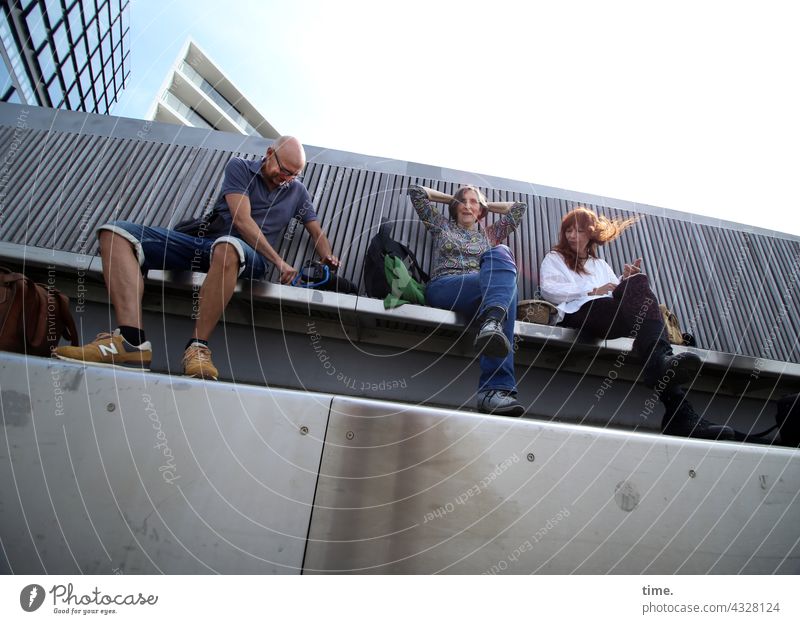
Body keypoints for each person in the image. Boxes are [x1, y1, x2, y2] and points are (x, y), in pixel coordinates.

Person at [54, 136, 339, 380]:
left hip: (251, 260)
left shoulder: (297, 192)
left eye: (293, 175)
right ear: (268, 154)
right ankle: (130, 341)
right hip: (208, 245)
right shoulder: (240, 167)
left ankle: (198, 347)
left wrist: (327, 255)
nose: (285, 178)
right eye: (283, 169)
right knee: (115, 233)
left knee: (228, 247)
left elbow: (316, 231)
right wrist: (280, 261)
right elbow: (241, 219)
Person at [539, 207, 734, 440]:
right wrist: (592, 289)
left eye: (579, 230)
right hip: (579, 312)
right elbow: (549, 290)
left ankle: (675, 402)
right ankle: (665, 374)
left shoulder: (600, 265)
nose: (572, 235)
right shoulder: (555, 257)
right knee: (637, 301)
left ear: (591, 233)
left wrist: (625, 281)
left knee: (638, 284)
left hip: (608, 313)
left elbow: (614, 294)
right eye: (568, 230)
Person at [408, 184, 526, 417]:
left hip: (483, 292)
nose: (468, 206)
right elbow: (416, 193)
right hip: (445, 287)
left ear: (481, 210)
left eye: (474, 202)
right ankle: (494, 389)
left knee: (502, 253)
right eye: (463, 202)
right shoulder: (441, 226)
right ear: (454, 207)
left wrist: (484, 203)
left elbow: (518, 209)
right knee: (506, 291)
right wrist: (457, 199)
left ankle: (492, 323)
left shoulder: (488, 235)